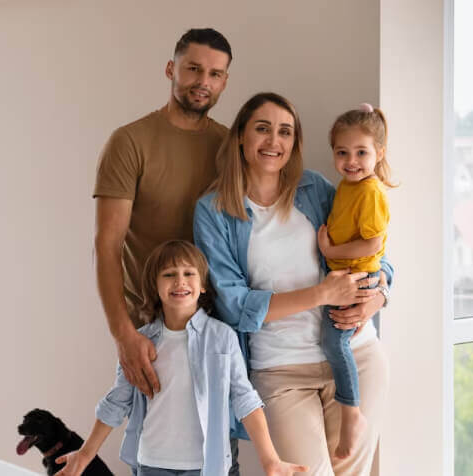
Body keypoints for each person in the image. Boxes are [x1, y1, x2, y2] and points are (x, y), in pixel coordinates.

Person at [193, 92, 393, 475]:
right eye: (262, 129)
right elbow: (233, 304)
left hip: (357, 356)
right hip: (281, 371)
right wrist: (321, 294)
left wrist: (379, 295)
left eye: (285, 132)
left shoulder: (314, 189)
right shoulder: (213, 210)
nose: (274, 141)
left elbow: (374, 253)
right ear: (241, 137)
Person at [92, 28, 242, 472]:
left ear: (225, 82)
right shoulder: (130, 142)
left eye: (215, 74)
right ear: (171, 69)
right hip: (152, 331)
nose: (203, 81)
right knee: (154, 453)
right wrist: (124, 335)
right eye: (193, 68)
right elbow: (106, 246)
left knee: (218, 459)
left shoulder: (228, 147)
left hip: (219, 327)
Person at [53, 241, 308, 476]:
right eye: (168, 274)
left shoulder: (222, 338)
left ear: (203, 284)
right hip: (151, 464)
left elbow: (245, 400)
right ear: (155, 284)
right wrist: (86, 453)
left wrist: (270, 460)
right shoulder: (139, 343)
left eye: (189, 273)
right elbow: (116, 402)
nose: (179, 281)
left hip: (207, 466)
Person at [316, 103, 396, 460]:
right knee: (333, 340)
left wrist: (332, 248)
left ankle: (351, 414)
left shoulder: (370, 191)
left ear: (378, 153)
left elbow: (374, 243)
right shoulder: (348, 185)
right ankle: (350, 413)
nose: (351, 160)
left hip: (358, 278)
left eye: (361, 152)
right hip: (347, 275)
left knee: (335, 344)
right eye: (342, 152)